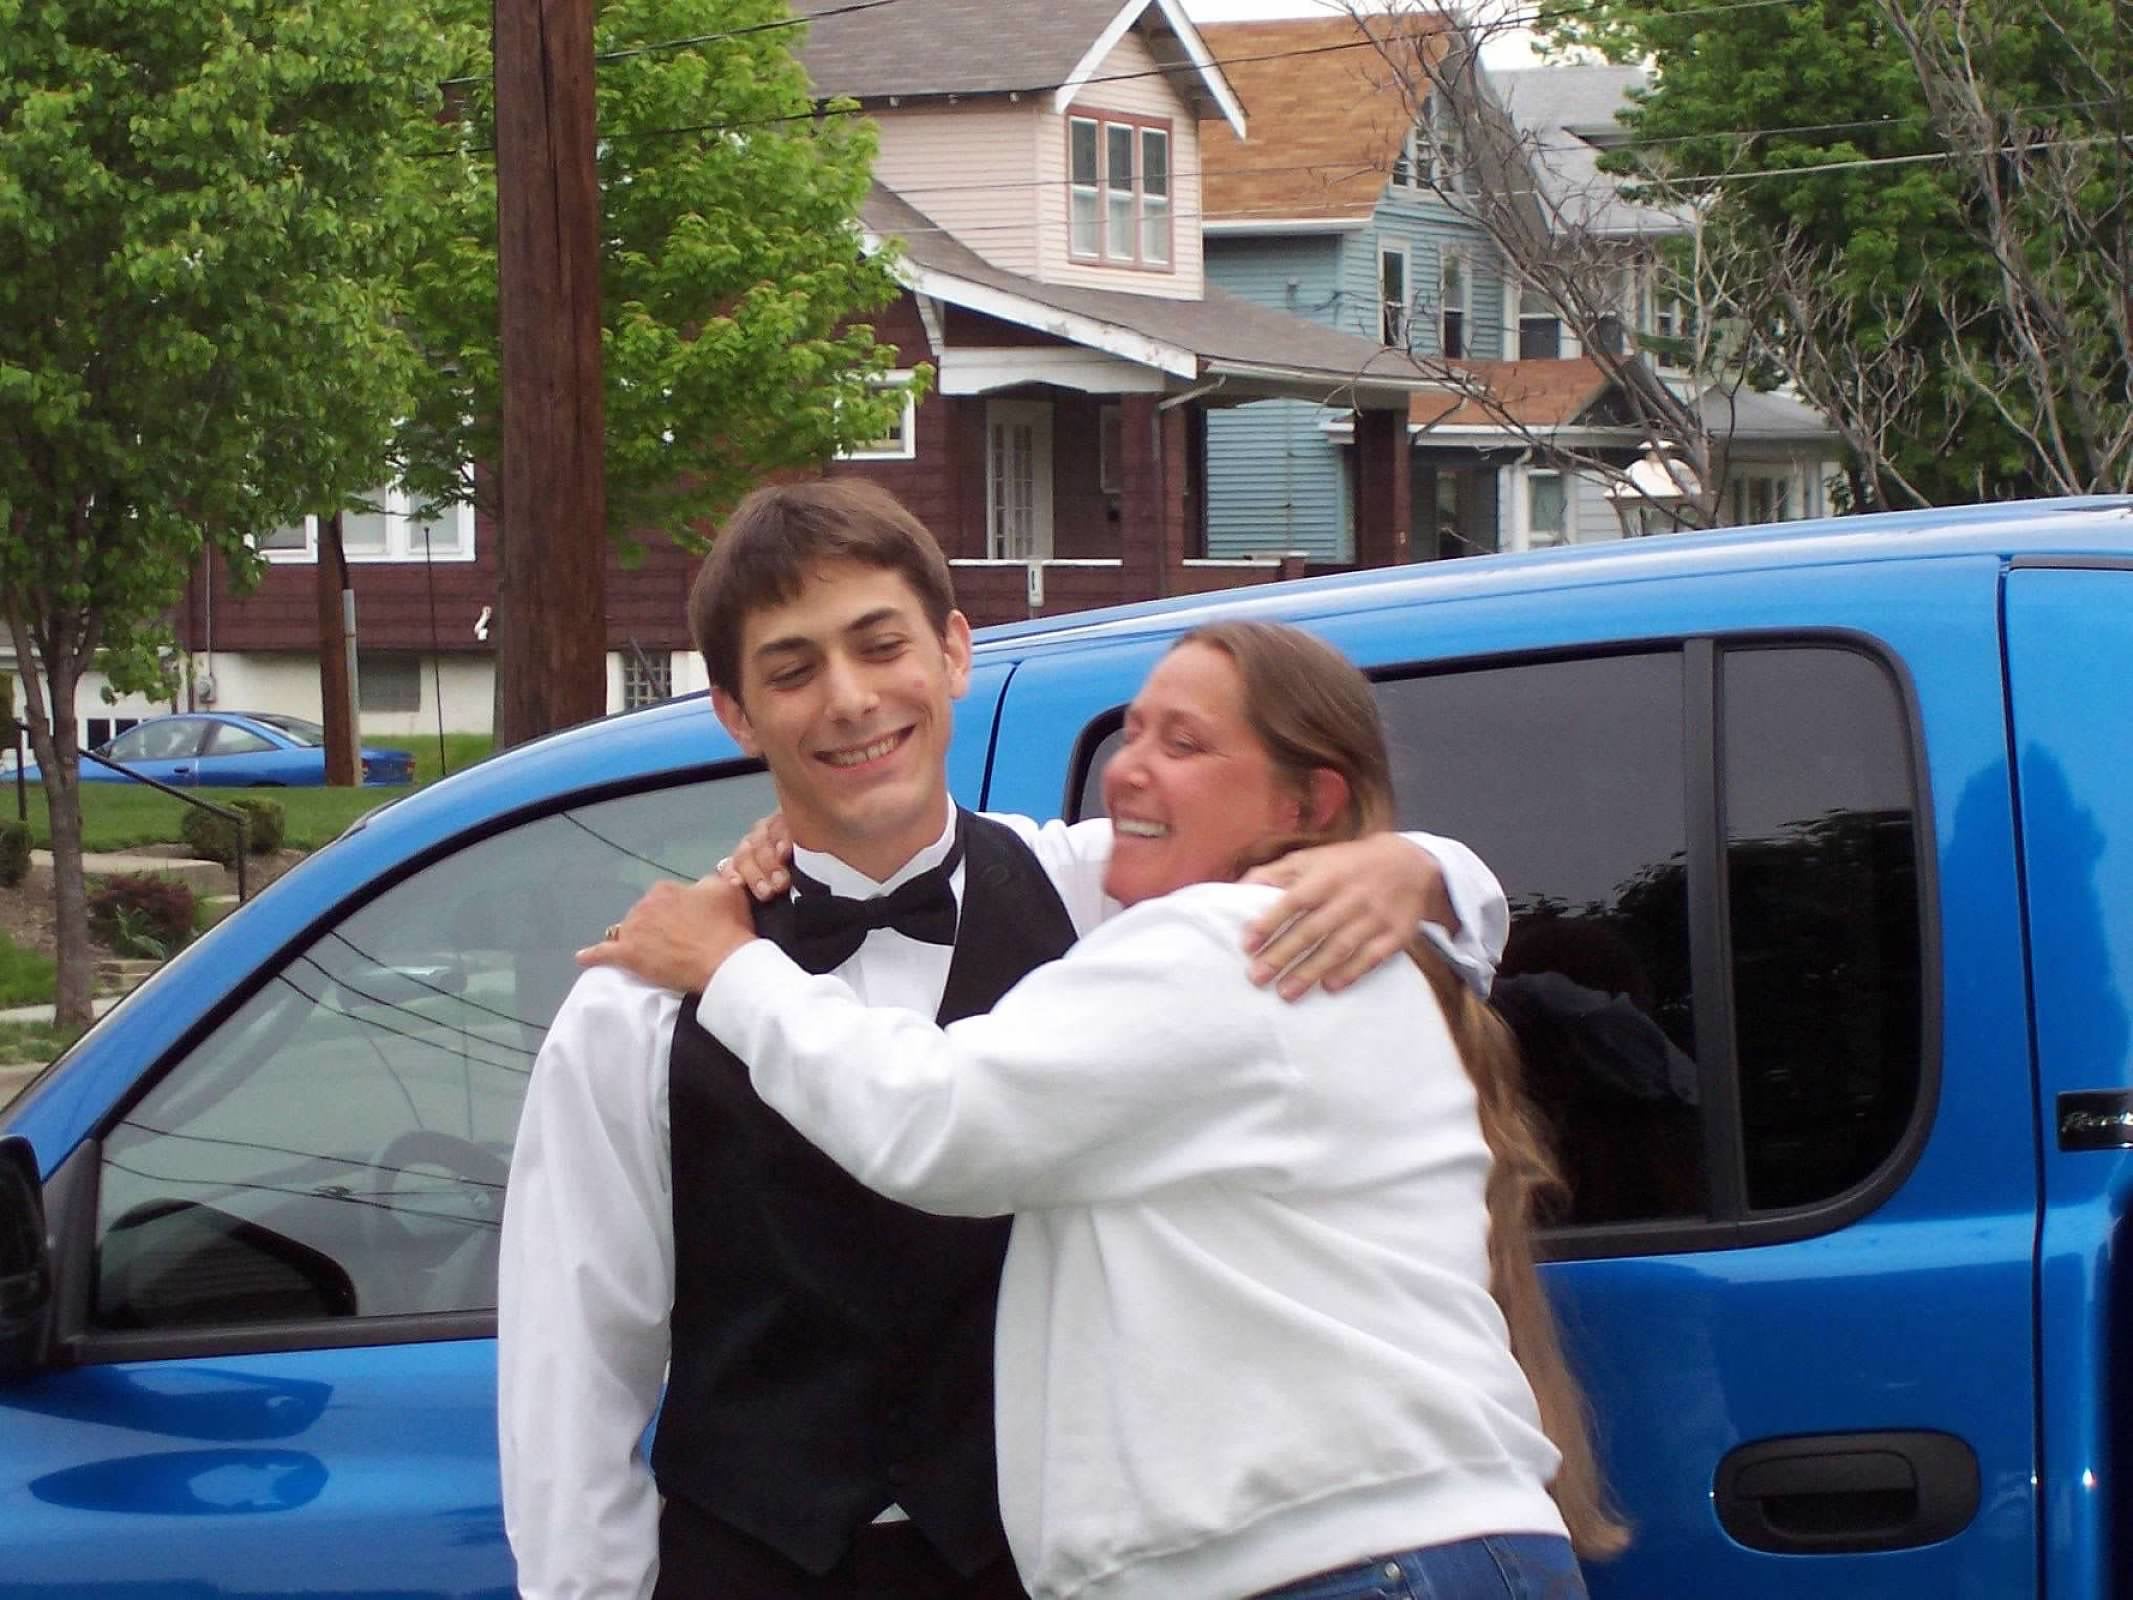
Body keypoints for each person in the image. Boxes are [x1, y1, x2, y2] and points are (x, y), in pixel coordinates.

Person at [498, 481, 1509, 1600]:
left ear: (952, 652)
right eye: (791, 671)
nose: (848, 699)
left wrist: (1420, 867)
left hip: (1040, 1566)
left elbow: (1420, 923)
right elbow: (572, 1360)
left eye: (880, 646)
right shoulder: (638, 1001)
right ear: (737, 714)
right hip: (747, 1565)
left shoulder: (1104, 894)